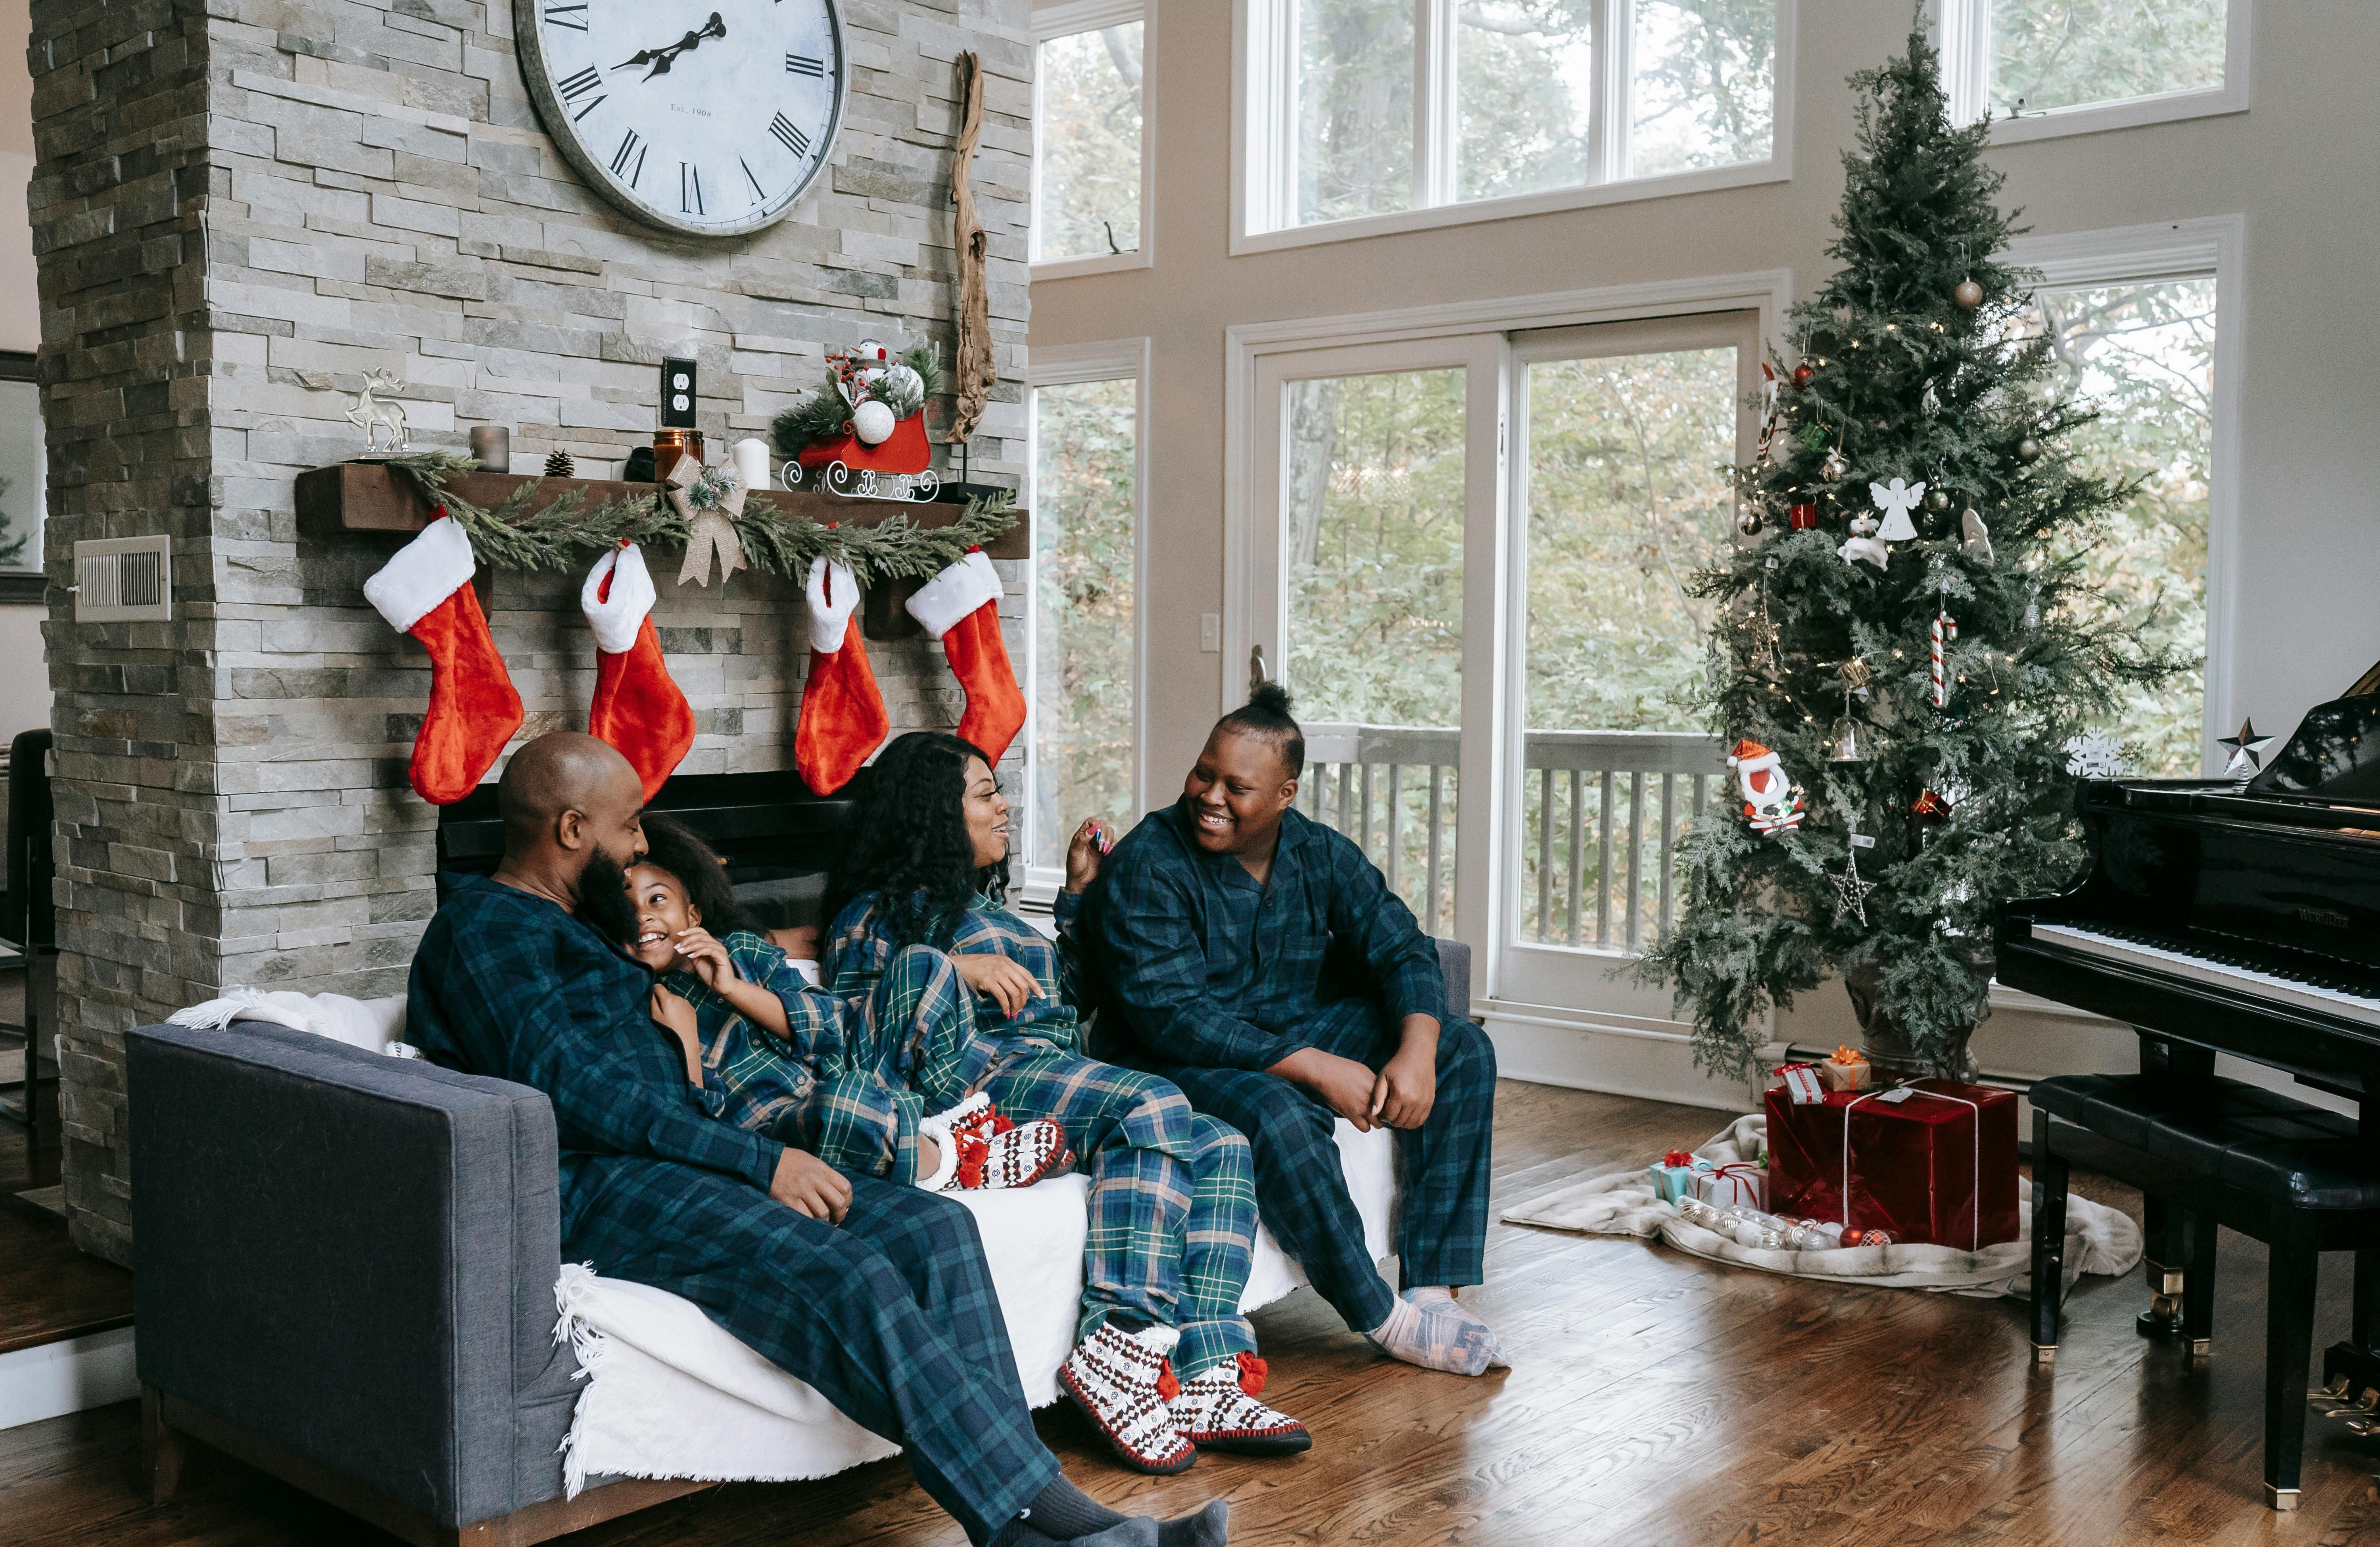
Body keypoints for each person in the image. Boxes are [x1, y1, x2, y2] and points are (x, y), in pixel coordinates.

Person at [405, 731, 1225, 1547]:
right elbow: (576, 1093)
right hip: (599, 1178)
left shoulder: (585, 926)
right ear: (573, 829)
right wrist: (762, 1160)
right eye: (630, 825)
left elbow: (668, 1046)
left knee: (934, 1228)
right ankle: (1078, 1529)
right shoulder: (485, 929)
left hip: (681, 1150)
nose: (643, 843)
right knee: (847, 1268)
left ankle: (1030, 1530)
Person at [821, 732, 1309, 1476]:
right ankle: (1120, 1339)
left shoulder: (986, 905)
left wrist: (1079, 891)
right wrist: (957, 965)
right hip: (982, 1081)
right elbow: (859, 1015)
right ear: (931, 814)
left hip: (1055, 1070)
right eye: (985, 793)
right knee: (1152, 1101)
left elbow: (1067, 996)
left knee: (1221, 1143)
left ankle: (1208, 1370)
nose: (1004, 803)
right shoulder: (877, 912)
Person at [1085, 685, 1509, 1378]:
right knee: (1279, 1112)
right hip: (1170, 1052)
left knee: (1464, 1048)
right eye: (1203, 771)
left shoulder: (1320, 852)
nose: (1209, 794)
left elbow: (1403, 946)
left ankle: (1431, 1287)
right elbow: (1171, 1013)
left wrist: (1419, 1045)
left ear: (1285, 794)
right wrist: (1311, 1064)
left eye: (1237, 785)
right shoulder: (1149, 862)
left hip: (1289, 1025)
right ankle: (1380, 1314)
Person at [624, 814, 1068, 1192]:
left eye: (657, 899)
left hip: (846, 1066)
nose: (643, 915)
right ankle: (957, 1162)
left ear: (694, 915)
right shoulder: (643, 1008)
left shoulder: (741, 951)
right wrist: (684, 1042)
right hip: (790, 1122)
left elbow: (829, 1025)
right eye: (626, 910)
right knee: (846, 1103)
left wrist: (733, 989)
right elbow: (694, 1122)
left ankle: (952, 1122)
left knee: (924, 963)